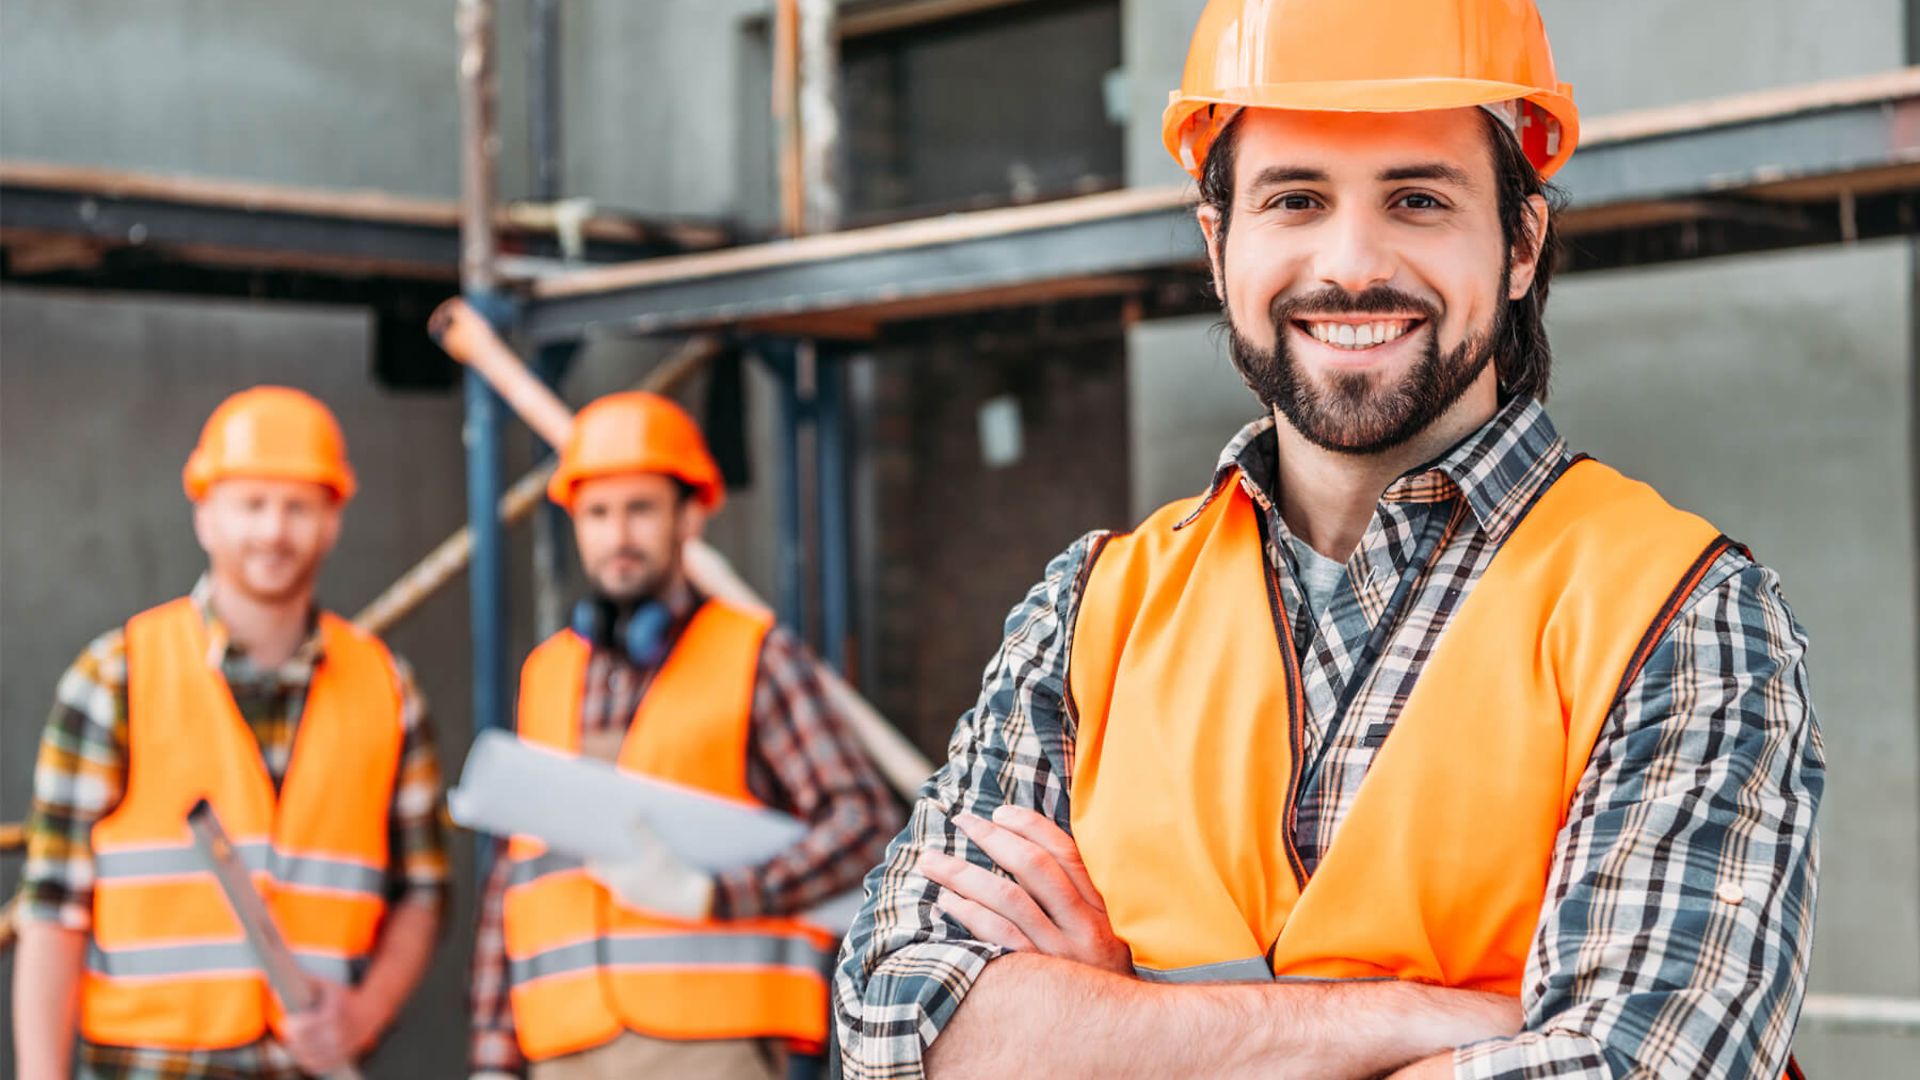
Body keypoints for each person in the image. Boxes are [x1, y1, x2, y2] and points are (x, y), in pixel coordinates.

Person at [833, 1, 1822, 1077]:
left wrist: (1112, 1027)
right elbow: (898, 1030)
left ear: (1522, 242)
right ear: (1220, 246)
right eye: (1294, 199)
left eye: (1418, 198)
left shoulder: (1678, 613)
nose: (1351, 264)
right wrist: (1386, 1026)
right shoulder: (1092, 611)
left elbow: (1645, 1065)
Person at [458, 378, 903, 1080]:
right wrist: (492, 1055)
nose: (618, 535)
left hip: (708, 1048)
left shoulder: (755, 655)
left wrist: (717, 895)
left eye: (640, 509)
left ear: (690, 518)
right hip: (561, 1047)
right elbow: (515, 882)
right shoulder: (545, 674)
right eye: (597, 513)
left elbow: (866, 823)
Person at [12, 386, 448, 1079]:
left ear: (333, 520)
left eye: (298, 506)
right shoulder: (115, 677)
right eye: (251, 504)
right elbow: (53, 910)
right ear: (205, 517)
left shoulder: (386, 688)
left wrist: (364, 1014)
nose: (273, 531)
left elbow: (422, 892)